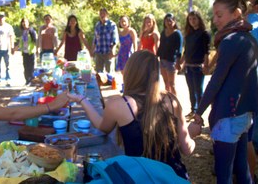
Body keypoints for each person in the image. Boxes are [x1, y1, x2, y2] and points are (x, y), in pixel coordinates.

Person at [67, 50, 195, 180]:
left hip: (139, 177)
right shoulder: (172, 100)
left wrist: (82, 100)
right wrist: (192, 132)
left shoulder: (118, 104)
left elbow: (102, 126)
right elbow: (187, 148)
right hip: (175, 178)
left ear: (130, 73)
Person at [192, 0, 258, 184]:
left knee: (224, 174)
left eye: (219, 15)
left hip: (228, 115)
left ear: (236, 13)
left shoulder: (230, 41)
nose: (215, 20)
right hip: (244, 114)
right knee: (242, 167)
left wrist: (199, 113)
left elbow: (216, 81)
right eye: (214, 15)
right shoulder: (250, 40)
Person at [231, 0, 258, 157]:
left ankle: (251, 152)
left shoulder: (251, 24)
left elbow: (245, 58)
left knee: (247, 125)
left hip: (250, 82)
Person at [177, 11, 210, 121]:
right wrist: (180, 62)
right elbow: (186, 52)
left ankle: (200, 115)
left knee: (199, 91)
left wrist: (206, 65)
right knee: (191, 90)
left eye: (194, 19)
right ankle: (193, 111)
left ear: (199, 19)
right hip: (188, 67)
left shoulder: (204, 34)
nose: (192, 21)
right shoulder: (188, 35)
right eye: (190, 19)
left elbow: (206, 51)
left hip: (198, 66)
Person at [157, 13, 183, 95]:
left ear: (174, 22)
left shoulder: (177, 34)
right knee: (166, 84)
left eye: (171, 20)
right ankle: (168, 103)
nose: (169, 22)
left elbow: (179, 49)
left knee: (172, 84)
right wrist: (157, 57)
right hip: (162, 60)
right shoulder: (163, 32)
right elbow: (161, 46)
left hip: (172, 61)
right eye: (167, 20)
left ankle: (176, 104)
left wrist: (178, 62)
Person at [91, 8, 119, 73]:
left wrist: (112, 50)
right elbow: (95, 39)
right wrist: (92, 51)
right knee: (98, 73)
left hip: (108, 52)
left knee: (110, 73)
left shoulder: (112, 24)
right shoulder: (97, 25)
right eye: (100, 14)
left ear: (107, 14)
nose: (102, 15)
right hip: (99, 52)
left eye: (103, 13)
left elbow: (115, 39)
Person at [18, 18, 37, 86]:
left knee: (31, 67)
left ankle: (32, 80)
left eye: (26, 22)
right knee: (25, 66)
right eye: (23, 22)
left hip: (31, 52)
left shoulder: (31, 31)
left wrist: (36, 50)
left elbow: (35, 41)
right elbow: (21, 42)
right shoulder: (23, 32)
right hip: (24, 52)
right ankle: (27, 80)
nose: (24, 23)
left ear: (28, 23)